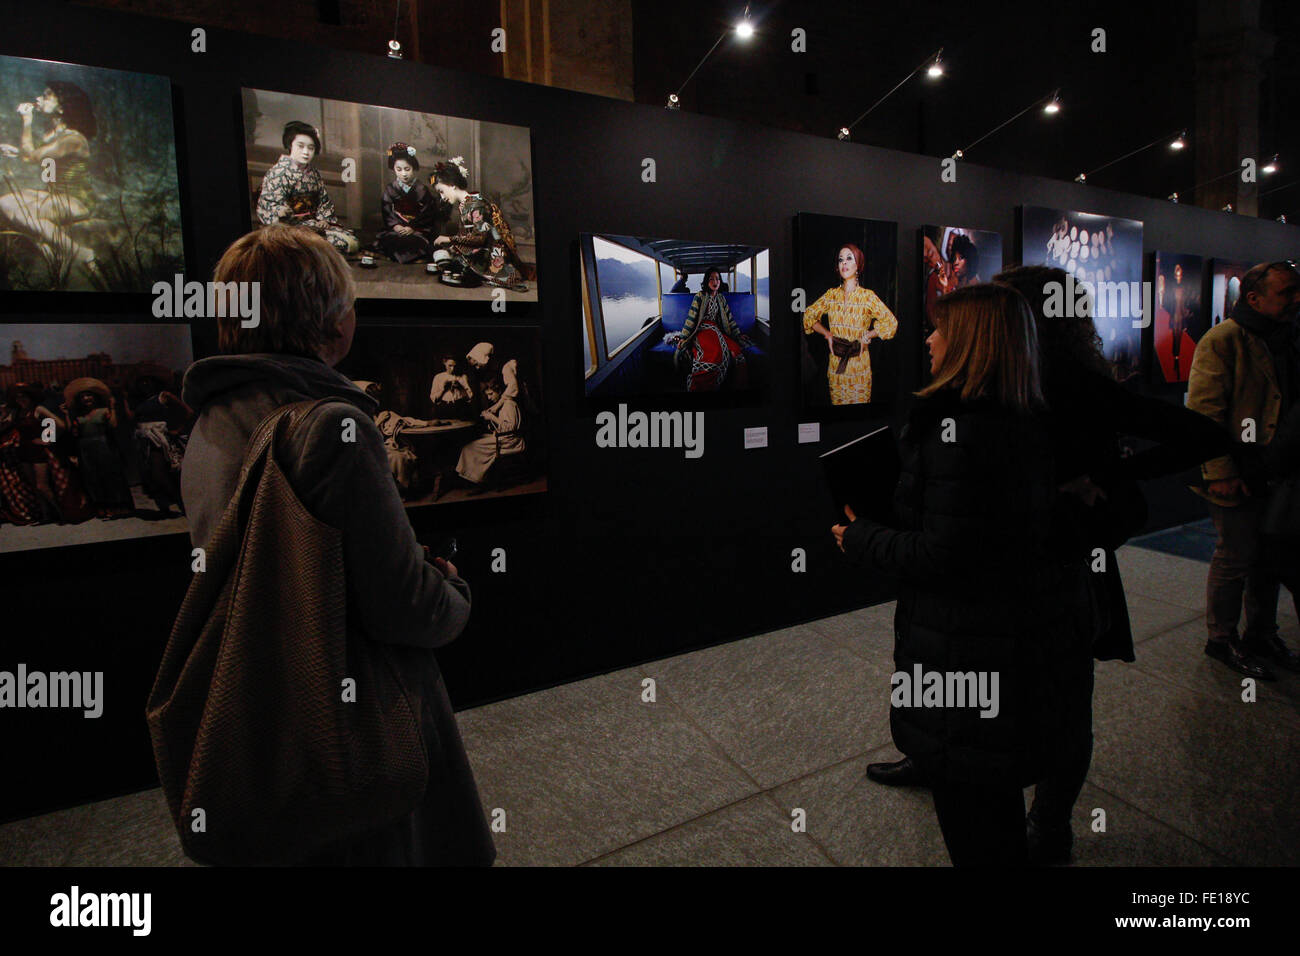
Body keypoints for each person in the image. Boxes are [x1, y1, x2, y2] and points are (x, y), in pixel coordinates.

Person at [179, 223, 494, 866]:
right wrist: (452, 589)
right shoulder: (330, 427)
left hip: (269, 710)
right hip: (352, 719)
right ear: (328, 320)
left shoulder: (211, 421)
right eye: (347, 300)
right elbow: (403, 604)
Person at [834, 283, 1077, 866]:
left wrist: (860, 537)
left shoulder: (960, 432)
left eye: (941, 330)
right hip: (1013, 643)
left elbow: (947, 557)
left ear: (971, 343)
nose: (929, 339)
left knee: (978, 825)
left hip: (966, 647)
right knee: (990, 807)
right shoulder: (1028, 419)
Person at [1188, 260, 1300, 681]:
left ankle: (1262, 634)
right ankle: (1220, 639)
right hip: (1239, 471)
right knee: (1235, 556)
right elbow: (1204, 414)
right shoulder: (1224, 340)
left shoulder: (1288, 338)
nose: (1295, 299)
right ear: (1253, 297)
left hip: (1279, 469)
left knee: (1270, 557)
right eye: (1286, 292)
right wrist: (1219, 470)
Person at [0, 80, 99, 281]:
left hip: (76, 201)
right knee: (10, 201)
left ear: (61, 109)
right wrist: (20, 152)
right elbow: (48, 172)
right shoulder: (54, 135)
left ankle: (81, 253)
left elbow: (31, 158)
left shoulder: (73, 139)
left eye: (46, 96)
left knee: (9, 206)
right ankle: (46, 244)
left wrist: (27, 121)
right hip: (57, 195)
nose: (38, 98)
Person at [802, 244, 898, 404]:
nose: (844, 263)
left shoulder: (868, 296)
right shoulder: (831, 295)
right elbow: (809, 316)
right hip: (836, 367)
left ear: (858, 264)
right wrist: (827, 334)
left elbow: (891, 323)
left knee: (859, 416)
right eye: (841, 260)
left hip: (859, 367)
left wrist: (868, 335)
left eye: (849, 258)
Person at [255, 121, 359, 254]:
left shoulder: (313, 173)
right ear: (289, 145)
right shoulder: (279, 172)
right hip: (289, 227)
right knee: (316, 245)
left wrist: (323, 219)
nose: (306, 152)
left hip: (311, 224)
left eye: (311, 148)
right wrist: (282, 213)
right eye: (300, 146)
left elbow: (323, 200)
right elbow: (271, 206)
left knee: (351, 240)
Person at [429, 156, 530, 290]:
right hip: (475, 247)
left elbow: (480, 238)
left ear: (452, 185)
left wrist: (449, 239)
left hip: (488, 250)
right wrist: (454, 244)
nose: (442, 197)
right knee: (441, 255)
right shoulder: (465, 204)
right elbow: (466, 234)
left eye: (442, 191)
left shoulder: (475, 204)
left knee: (456, 266)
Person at [673, 266, 749, 392]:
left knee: (737, 351)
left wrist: (738, 335)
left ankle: (739, 390)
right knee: (714, 353)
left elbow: (729, 319)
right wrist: (684, 337)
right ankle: (698, 387)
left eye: (717, 279)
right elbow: (691, 318)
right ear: (706, 282)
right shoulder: (700, 296)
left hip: (716, 331)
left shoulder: (721, 298)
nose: (715, 282)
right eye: (711, 279)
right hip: (702, 330)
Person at [375, 142, 441, 264]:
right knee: (390, 239)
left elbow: (427, 212)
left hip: (417, 229)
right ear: (393, 169)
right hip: (398, 228)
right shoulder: (391, 188)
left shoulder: (421, 189)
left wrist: (412, 227)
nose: (403, 174)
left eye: (407, 169)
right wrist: (396, 226)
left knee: (415, 242)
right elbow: (387, 210)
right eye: (399, 169)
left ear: (413, 168)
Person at [455, 379, 524, 489]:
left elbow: (511, 428)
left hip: (511, 441)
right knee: (473, 441)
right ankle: (475, 478)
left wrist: (492, 417)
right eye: (487, 395)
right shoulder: (502, 404)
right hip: (503, 437)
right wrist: (490, 419)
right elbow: (502, 426)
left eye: (491, 394)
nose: (489, 398)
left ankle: (476, 481)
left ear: (500, 391)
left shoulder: (509, 404)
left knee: (470, 447)